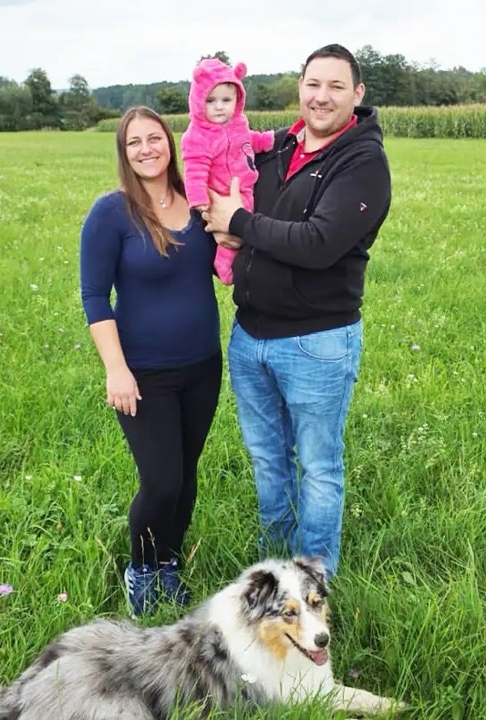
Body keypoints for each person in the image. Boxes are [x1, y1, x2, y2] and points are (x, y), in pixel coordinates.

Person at [199, 43, 392, 580]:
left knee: (319, 468)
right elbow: (221, 171)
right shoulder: (279, 145)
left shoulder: (363, 162)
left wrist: (237, 222)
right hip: (250, 336)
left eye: (336, 86)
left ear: (357, 94)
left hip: (318, 341)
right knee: (267, 463)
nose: (321, 96)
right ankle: (273, 572)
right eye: (313, 84)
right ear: (300, 88)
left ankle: (311, 581)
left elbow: (319, 243)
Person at [79, 106, 223, 617]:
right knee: (160, 480)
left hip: (204, 364)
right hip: (143, 373)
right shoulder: (111, 213)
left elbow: (225, 262)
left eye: (154, 138)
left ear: (170, 142)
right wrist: (116, 369)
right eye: (134, 142)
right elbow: (95, 296)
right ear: (124, 153)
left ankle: (169, 563)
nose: (146, 149)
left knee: (186, 474)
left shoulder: (199, 203)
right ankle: (141, 566)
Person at [180, 57, 277, 285]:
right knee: (233, 228)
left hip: (245, 186)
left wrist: (266, 140)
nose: (219, 106)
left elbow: (247, 140)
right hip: (221, 192)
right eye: (211, 100)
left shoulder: (238, 123)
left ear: (237, 100)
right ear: (198, 101)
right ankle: (224, 265)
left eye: (226, 100)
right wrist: (198, 198)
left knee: (251, 225)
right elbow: (194, 169)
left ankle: (247, 263)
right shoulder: (197, 136)